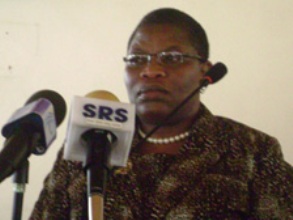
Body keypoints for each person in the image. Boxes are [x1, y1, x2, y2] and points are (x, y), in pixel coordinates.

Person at [30, 8, 293, 219]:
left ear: (205, 70)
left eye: (172, 57)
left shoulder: (253, 150)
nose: (150, 70)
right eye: (136, 59)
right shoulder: (86, 144)